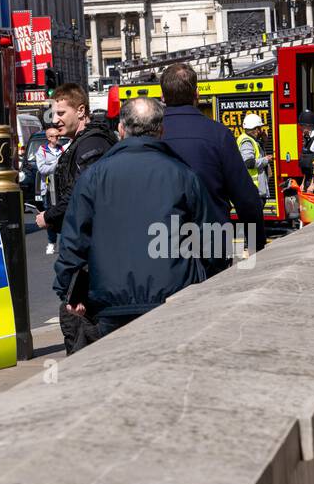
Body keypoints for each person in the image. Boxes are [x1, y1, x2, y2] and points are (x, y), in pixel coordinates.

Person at [53, 97, 217, 348]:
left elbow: (74, 239)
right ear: (161, 130)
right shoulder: (183, 174)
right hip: (173, 294)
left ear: (121, 129)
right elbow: (212, 239)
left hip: (110, 301)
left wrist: (69, 290)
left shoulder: (94, 177)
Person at [37, 83, 120, 352]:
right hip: (89, 259)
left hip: (91, 261)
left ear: (81, 110)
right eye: (54, 113)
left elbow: (83, 199)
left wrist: (49, 216)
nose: (55, 119)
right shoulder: (83, 144)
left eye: (61, 112)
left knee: (80, 333)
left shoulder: (91, 146)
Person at [159, 62, 265, 259]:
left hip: (162, 243)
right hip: (211, 244)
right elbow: (246, 200)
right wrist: (255, 246)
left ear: (163, 97)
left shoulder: (151, 135)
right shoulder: (219, 134)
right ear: (197, 94)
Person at [34, 122, 68, 255]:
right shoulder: (41, 151)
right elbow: (42, 169)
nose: (58, 138)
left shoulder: (63, 150)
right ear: (49, 138)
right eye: (55, 136)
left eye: (59, 136)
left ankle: (64, 244)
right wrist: (57, 164)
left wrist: (54, 164)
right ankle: (51, 243)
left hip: (62, 189)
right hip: (47, 190)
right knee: (50, 216)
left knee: (65, 216)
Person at [238, 113, 272, 202]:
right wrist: (266, 160)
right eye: (260, 128)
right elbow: (249, 163)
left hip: (254, 190)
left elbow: (257, 153)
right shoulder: (247, 142)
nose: (261, 131)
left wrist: (264, 142)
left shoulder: (252, 140)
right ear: (256, 129)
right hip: (252, 190)